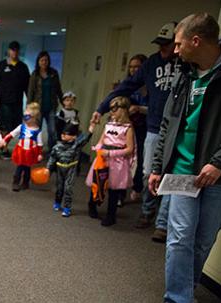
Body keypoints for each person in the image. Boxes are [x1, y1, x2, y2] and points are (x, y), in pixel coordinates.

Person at [148, 13, 221, 303]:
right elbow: (169, 123)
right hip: (183, 170)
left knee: (203, 240)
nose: (175, 50)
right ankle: (174, 301)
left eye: (178, 42)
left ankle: (187, 291)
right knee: (180, 238)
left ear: (195, 41)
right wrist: (158, 166)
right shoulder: (185, 74)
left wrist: (220, 162)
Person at [90, 22, 181, 240]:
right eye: (160, 44)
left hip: (179, 130)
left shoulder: (186, 65)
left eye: (167, 44)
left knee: (172, 176)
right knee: (149, 173)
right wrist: (102, 109)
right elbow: (126, 87)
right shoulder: (151, 64)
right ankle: (147, 211)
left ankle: (162, 222)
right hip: (154, 127)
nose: (163, 49)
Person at [87, 97, 136, 226]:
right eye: (111, 109)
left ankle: (111, 215)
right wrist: (97, 148)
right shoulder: (108, 124)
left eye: (115, 109)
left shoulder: (128, 127)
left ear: (123, 110)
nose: (112, 112)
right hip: (103, 158)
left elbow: (130, 149)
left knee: (113, 190)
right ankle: (92, 205)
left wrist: (111, 153)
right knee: (97, 182)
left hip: (117, 161)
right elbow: (102, 139)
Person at [47, 122, 92, 217]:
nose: (63, 135)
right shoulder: (57, 147)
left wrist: (91, 128)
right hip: (60, 168)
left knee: (68, 188)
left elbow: (85, 139)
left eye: (67, 134)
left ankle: (67, 208)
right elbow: (52, 158)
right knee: (59, 187)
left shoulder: (76, 145)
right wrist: (48, 169)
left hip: (71, 168)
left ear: (74, 136)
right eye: (63, 133)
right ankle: (57, 202)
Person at [0, 41, 30, 134]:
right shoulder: (1, 65)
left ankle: (10, 143)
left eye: (16, 50)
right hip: (4, 101)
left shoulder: (23, 67)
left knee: (15, 126)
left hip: (17, 101)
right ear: (9, 51)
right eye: (12, 50)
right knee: (4, 125)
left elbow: (27, 85)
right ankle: (3, 145)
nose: (14, 53)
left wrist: (29, 101)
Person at [3, 102, 43, 191]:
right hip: (21, 150)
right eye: (24, 116)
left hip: (30, 152)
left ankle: (25, 183)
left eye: (27, 117)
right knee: (19, 167)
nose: (25, 119)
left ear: (34, 118)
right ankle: (16, 182)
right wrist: (5, 140)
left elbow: (40, 143)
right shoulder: (22, 127)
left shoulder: (37, 131)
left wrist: (39, 154)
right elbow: (12, 134)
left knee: (27, 168)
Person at [27, 50, 63, 149]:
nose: (44, 62)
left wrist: (63, 101)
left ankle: (52, 150)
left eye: (46, 60)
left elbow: (58, 89)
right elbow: (30, 91)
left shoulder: (53, 73)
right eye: (42, 60)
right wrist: (29, 108)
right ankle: (35, 149)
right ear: (38, 61)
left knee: (52, 130)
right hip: (38, 107)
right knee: (36, 129)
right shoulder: (35, 74)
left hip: (51, 106)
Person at [127, 54, 149, 201]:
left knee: (140, 158)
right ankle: (119, 192)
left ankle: (137, 187)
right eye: (131, 67)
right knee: (123, 158)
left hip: (144, 126)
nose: (134, 70)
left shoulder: (150, 85)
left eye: (137, 67)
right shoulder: (127, 85)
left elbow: (155, 108)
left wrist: (139, 108)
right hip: (127, 126)